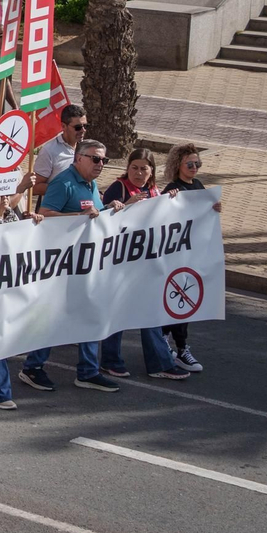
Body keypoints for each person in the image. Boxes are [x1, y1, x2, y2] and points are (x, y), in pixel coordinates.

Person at [19, 138, 125, 394]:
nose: (101, 164)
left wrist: (111, 209)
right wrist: (77, 217)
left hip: (86, 265)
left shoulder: (90, 183)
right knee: (53, 319)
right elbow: (45, 215)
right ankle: (32, 368)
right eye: (95, 159)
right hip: (62, 267)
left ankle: (88, 372)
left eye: (104, 160)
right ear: (79, 158)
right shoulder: (63, 183)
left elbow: (94, 215)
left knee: (89, 315)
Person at [98, 150, 192, 382]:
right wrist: (126, 206)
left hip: (145, 266)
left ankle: (159, 362)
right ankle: (111, 361)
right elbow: (101, 220)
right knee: (118, 314)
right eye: (134, 168)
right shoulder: (118, 188)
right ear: (128, 168)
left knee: (150, 315)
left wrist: (173, 203)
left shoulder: (154, 191)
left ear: (152, 171)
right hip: (119, 265)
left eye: (144, 169)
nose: (139, 173)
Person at [162, 143, 219, 374]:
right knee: (175, 302)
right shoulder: (172, 189)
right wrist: (169, 202)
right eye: (190, 164)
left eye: (197, 163)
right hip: (175, 257)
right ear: (178, 165)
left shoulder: (197, 186)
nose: (195, 168)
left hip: (192, 255)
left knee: (185, 303)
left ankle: (179, 346)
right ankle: (170, 343)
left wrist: (214, 208)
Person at [31, 104, 87, 200]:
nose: (83, 130)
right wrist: (66, 190)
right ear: (63, 126)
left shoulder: (87, 148)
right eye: (78, 127)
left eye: (85, 126)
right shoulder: (49, 151)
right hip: (56, 210)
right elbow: (34, 188)